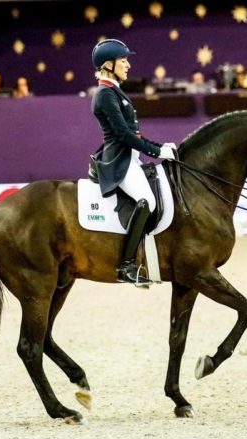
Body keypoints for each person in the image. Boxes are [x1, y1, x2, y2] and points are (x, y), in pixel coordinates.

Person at [90, 38, 176, 287]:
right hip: (119, 161)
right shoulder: (105, 94)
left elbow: (133, 134)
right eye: (123, 61)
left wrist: (160, 146)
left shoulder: (114, 90)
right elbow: (123, 135)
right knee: (147, 200)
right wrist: (157, 151)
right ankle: (126, 266)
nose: (128, 65)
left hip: (129, 157)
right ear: (108, 65)